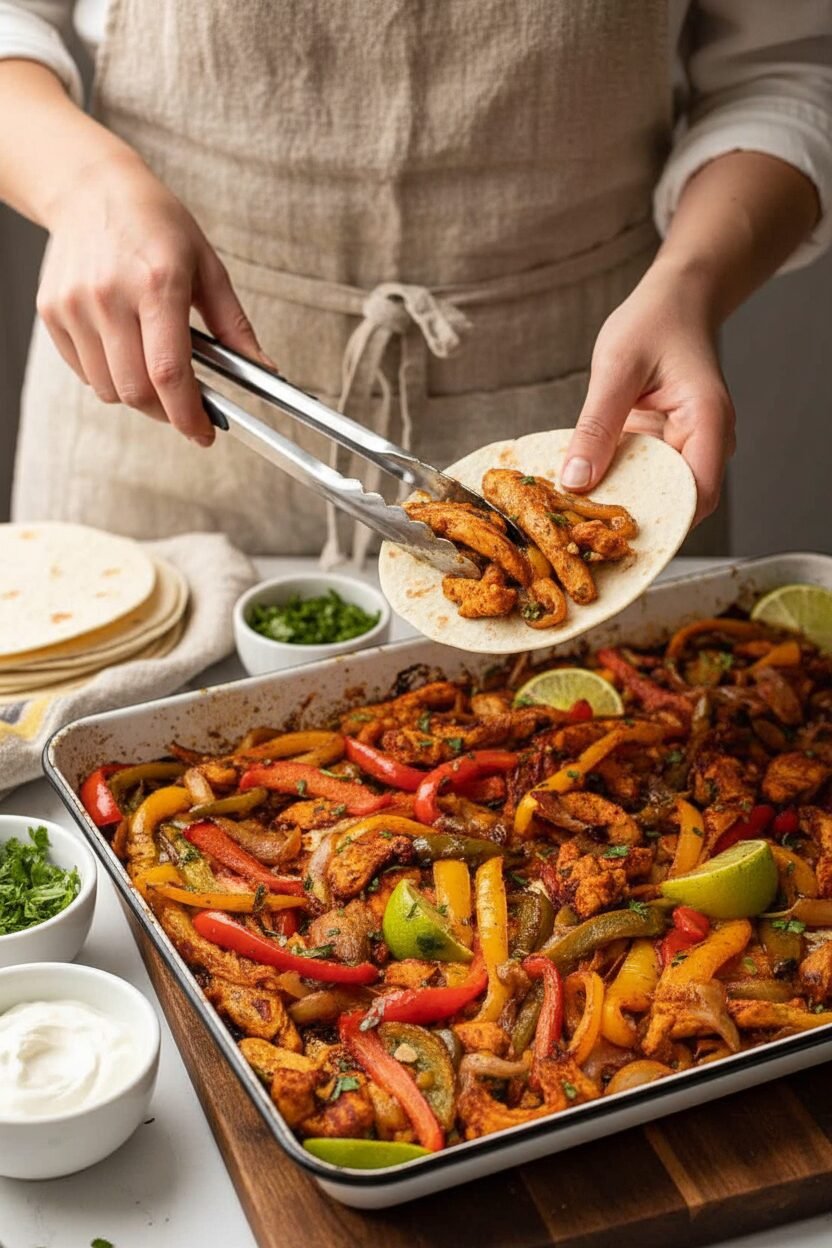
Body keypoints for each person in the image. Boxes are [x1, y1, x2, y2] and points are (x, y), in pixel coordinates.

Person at [1, 2, 829, 561]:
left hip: (591, 403)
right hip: (154, 364)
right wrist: (84, 189)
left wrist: (690, 282)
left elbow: (788, 68)